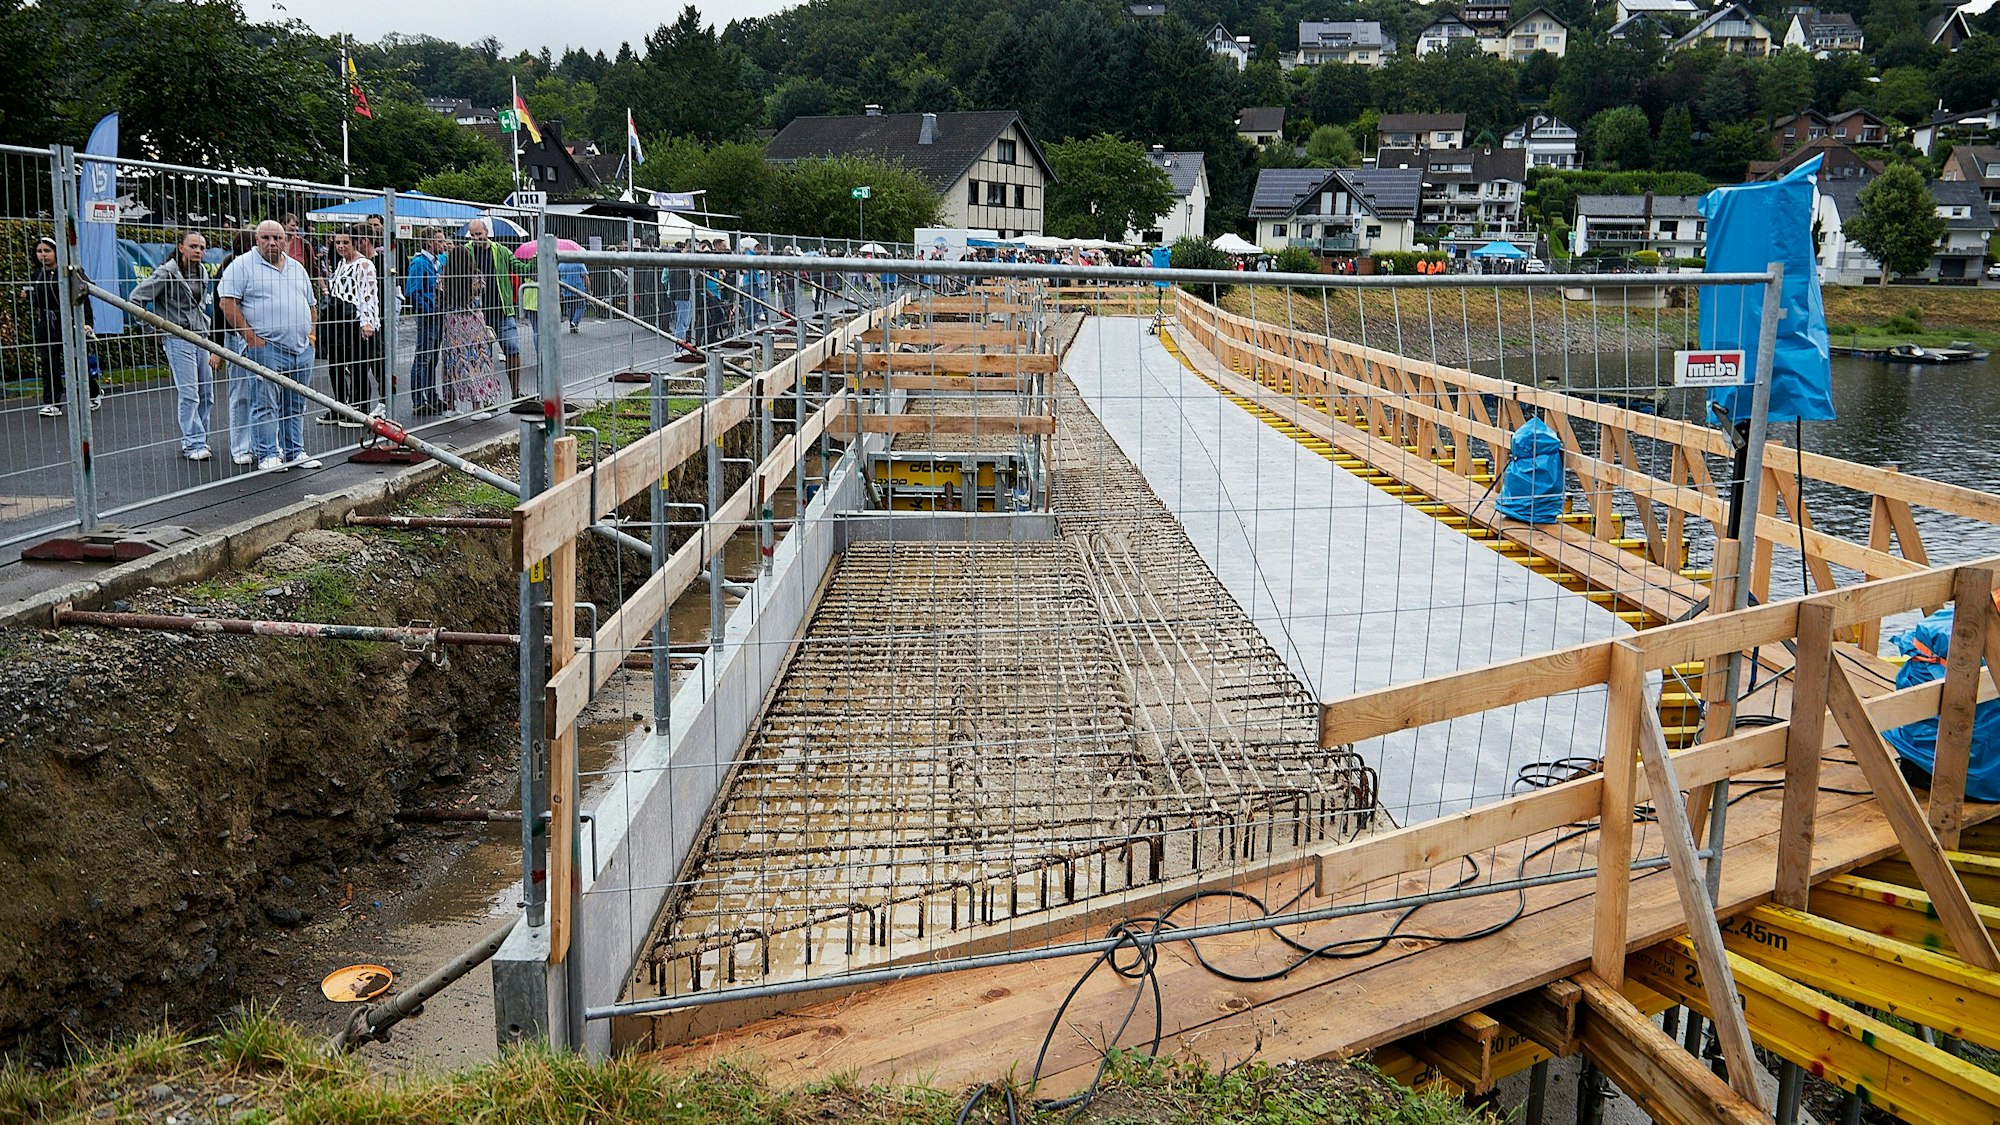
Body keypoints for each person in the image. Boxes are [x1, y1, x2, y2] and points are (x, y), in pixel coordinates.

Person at [218, 220, 321, 472]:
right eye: (266, 238)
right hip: (267, 348)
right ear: (256, 240)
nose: (272, 243)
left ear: (286, 240)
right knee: (264, 403)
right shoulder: (241, 266)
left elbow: (311, 304)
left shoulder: (297, 268)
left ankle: (295, 451)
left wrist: (311, 337)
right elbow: (227, 303)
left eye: (277, 238)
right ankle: (267, 454)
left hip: (300, 348)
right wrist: (252, 339)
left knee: (295, 404)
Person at [130, 230, 215, 459]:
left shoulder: (203, 272)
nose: (198, 251)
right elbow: (136, 298)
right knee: (189, 393)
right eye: (193, 246)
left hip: (201, 336)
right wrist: (151, 329)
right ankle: (192, 443)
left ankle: (201, 437)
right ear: (181, 248)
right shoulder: (166, 272)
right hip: (177, 337)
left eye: (202, 247)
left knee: (206, 392)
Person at [22, 235, 98, 418]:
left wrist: (86, 323)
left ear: (57, 252)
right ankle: (52, 403)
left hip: (70, 325)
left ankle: (92, 394)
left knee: (77, 363)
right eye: (39, 251)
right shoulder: (37, 275)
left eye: (47, 251)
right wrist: (28, 298)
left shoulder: (70, 274)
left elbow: (83, 299)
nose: (43, 255)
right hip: (47, 326)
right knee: (49, 364)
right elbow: (40, 301)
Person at [322, 225, 381, 427]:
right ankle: (340, 406)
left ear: (355, 242)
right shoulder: (340, 265)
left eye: (345, 242)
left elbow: (369, 295)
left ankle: (360, 408)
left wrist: (367, 322)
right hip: (338, 320)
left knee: (358, 365)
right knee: (336, 364)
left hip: (355, 320)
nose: (340, 246)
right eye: (337, 242)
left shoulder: (364, 265)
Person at [463, 220, 529, 402]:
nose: (476, 238)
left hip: (502, 310)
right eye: (473, 235)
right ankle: (486, 397)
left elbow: (522, 269)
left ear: (487, 232)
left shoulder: (501, 251)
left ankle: (516, 392)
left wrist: (538, 260)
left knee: (513, 349)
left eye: (479, 234)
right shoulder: (465, 251)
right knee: (482, 357)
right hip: (477, 313)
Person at [209, 228, 260, 464]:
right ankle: (240, 447)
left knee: (264, 393)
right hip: (236, 336)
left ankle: (261, 443)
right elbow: (219, 313)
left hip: (262, 336)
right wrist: (217, 348)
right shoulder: (229, 270)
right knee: (240, 393)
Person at [439, 243, 500, 414]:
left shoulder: (444, 278)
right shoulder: (475, 278)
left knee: (452, 363)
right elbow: (481, 293)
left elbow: (440, 298)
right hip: (473, 325)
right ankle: (477, 407)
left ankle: (450, 407)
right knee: (475, 363)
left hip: (452, 325)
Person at [404, 227, 448, 416]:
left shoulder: (436, 262)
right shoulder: (420, 263)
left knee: (433, 357)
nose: (444, 244)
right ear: (430, 243)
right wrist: (427, 309)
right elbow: (411, 292)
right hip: (428, 315)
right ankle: (418, 399)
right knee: (423, 357)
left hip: (438, 314)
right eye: (440, 240)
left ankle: (432, 395)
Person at [557, 256, 589, 333]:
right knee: (581, 306)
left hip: (566, 290)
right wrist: (588, 290)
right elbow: (585, 277)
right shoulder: (579, 263)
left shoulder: (561, 265)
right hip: (578, 289)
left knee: (570, 307)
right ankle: (575, 322)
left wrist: (560, 292)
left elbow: (558, 277)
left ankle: (572, 325)